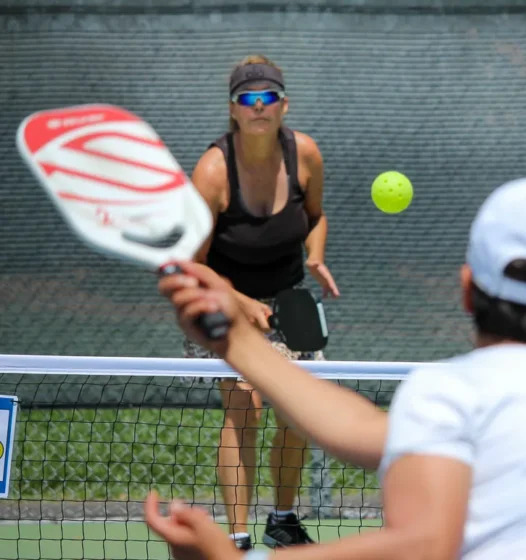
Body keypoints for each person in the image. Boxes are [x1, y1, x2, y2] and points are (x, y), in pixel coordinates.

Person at [146, 177, 526, 560]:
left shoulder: (450, 394)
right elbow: (368, 431)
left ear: (466, 287)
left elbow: (426, 545)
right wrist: (234, 340)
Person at [182, 54, 340, 551]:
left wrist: (315, 256)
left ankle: (283, 519)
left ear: (283, 105)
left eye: (267, 97)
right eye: (247, 99)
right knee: (243, 407)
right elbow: (193, 262)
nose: (258, 107)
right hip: (221, 301)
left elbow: (315, 217)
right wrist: (240, 302)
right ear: (233, 109)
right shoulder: (212, 171)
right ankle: (238, 535)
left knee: (302, 411)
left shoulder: (305, 154)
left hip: (291, 300)